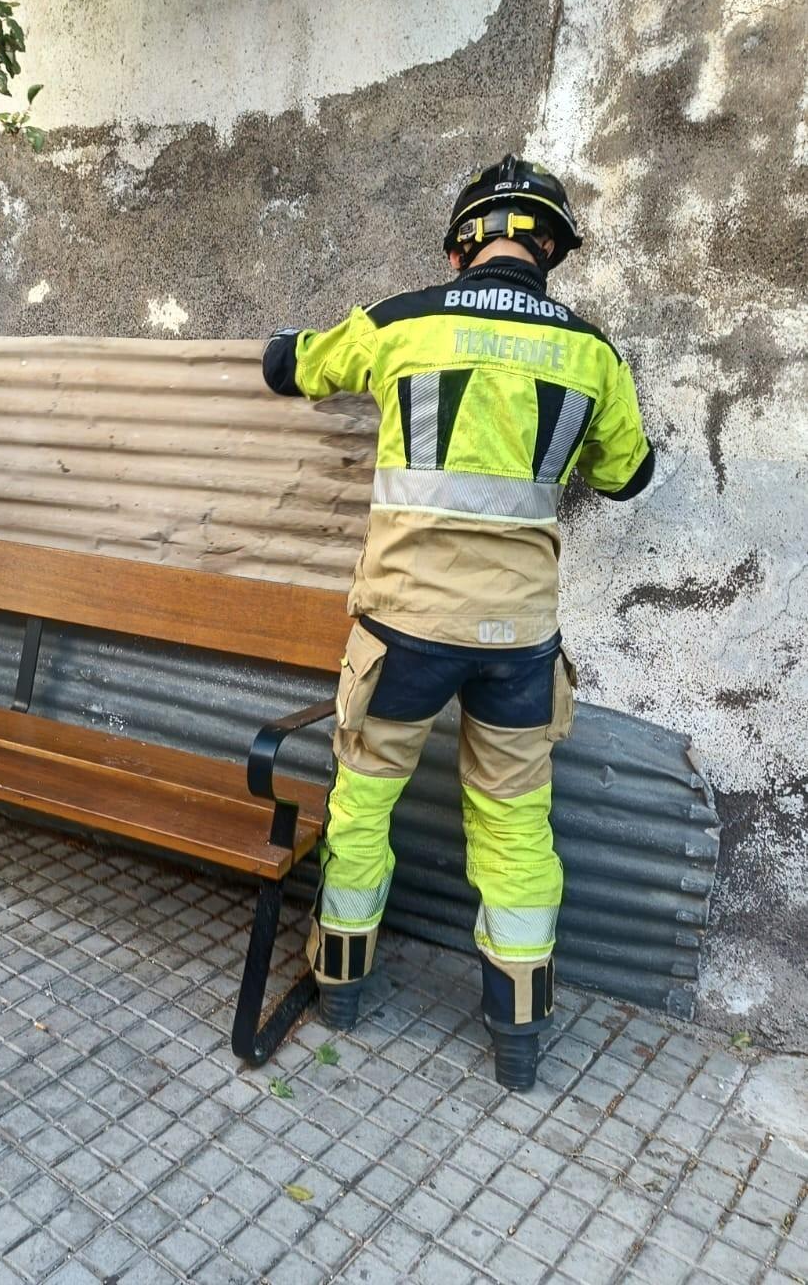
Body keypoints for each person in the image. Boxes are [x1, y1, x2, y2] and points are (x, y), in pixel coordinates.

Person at [262, 155, 653, 1090]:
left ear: (461, 245)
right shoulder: (591, 352)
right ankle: (518, 1036)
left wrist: (288, 340)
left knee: (363, 805)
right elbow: (627, 474)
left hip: (403, 631)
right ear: (549, 249)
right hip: (519, 643)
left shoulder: (402, 321)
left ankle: (342, 991)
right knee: (517, 828)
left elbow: (294, 365)